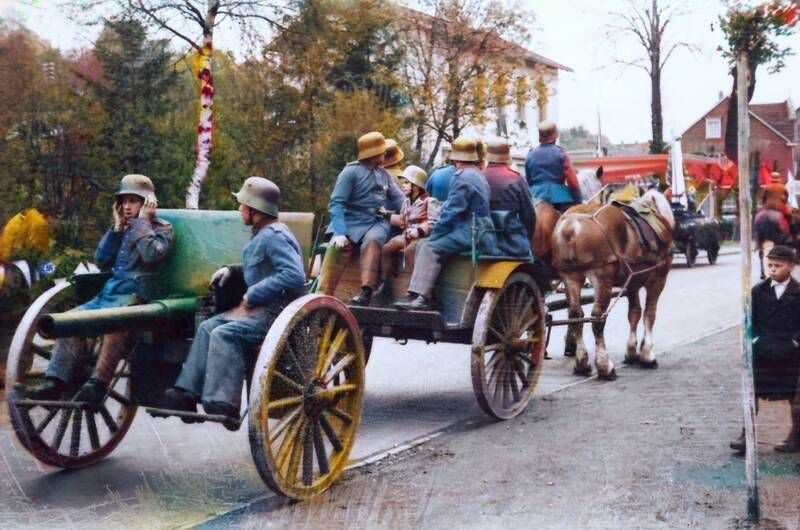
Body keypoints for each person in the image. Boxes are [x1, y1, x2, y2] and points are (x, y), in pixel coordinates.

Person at [17, 174, 174, 403]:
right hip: (111, 293)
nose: (127, 206)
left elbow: (151, 255)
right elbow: (102, 260)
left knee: (115, 322)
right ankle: (56, 380)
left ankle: (98, 384)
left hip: (139, 297)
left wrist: (142, 223)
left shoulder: (163, 228)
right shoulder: (125, 227)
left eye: (133, 200)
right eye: (124, 201)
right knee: (71, 321)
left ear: (148, 202)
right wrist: (117, 229)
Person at [164, 177, 306, 424]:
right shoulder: (264, 233)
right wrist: (231, 270)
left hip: (273, 314)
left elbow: (294, 275)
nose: (239, 209)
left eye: (242, 205)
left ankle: (224, 403)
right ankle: (186, 393)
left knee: (225, 334)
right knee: (208, 327)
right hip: (258, 310)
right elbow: (264, 268)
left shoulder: (273, 236)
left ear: (255, 210)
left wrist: (254, 294)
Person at [395, 137, 499, 310]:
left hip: (471, 230)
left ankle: (422, 298)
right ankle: (422, 292)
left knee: (430, 246)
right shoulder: (477, 175)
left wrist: (435, 231)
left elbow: (452, 211)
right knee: (422, 245)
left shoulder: (462, 177)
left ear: (456, 159)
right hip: (476, 227)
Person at [731, 245, 800, 453]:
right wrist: (753, 339)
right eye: (769, 265)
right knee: (753, 392)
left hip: (791, 353)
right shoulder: (758, 291)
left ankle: (796, 437)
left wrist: (796, 341)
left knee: (794, 397)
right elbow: (749, 320)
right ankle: (747, 434)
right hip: (763, 350)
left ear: (791, 267)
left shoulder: (798, 293)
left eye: (778, 265)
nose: (772, 269)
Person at [324, 131, 405, 306]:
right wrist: (339, 232)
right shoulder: (350, 173)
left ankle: (366, 290)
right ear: (374, 154)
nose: (385, 155)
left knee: (374, 240)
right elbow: (336, 203)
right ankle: (323, 295)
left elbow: (400, 198)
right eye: (383, 152)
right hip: (351, 220)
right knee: (337, 248)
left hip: (376, 221)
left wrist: (415, 211)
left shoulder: (383, 174)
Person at [373, 165, 441, 301]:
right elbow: (402, 221)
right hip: (407, 235)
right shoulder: (406, 202)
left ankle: (421, 291)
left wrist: (419, 230)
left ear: (416, 185)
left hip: (422, 238)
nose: (403, 186)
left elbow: (434, 222)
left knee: (411, 251)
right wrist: (385, 214)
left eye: (406, 183)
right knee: (387, 248)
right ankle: (386, 283)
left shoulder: (429, 201)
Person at [482, 137, 535, 257]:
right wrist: (527, 236)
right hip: (513, 242)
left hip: (482, 240)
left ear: (488, 155)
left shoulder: (478, 176)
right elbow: (529, 215)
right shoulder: (517, 178)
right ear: (507, 156)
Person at [525, 120, 581, 213]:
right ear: (555, 136)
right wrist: (578, 198)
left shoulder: (530, 154)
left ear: (540, 137)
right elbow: (572, 181)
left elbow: (528, 180)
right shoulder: (561, 153)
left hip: (534, 196)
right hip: (558, 197)